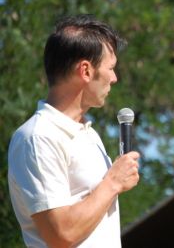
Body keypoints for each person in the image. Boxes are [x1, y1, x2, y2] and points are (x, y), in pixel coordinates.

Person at [7, 14, 140, 247]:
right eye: (111, 68)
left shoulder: (88, 133)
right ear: (86, 71)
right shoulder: (38, 138)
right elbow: (61, 235)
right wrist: (113, 182)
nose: (115, 78)